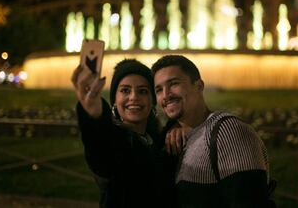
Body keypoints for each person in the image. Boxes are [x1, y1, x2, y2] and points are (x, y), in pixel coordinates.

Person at [152, 55, 274, 208]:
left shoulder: (228, 131)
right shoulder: (179, 140)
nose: (166, 95)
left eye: (174, 84)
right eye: (159, 90)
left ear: (199, 86)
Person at [71, 59, 177, 208]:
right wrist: (94, 117)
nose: (134, 97)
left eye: (142, 91)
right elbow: (100, 152)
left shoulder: (160, 141)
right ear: (114, 100)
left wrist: (180, 125)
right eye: (125, 90)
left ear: (152, 100)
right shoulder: (114, 142)